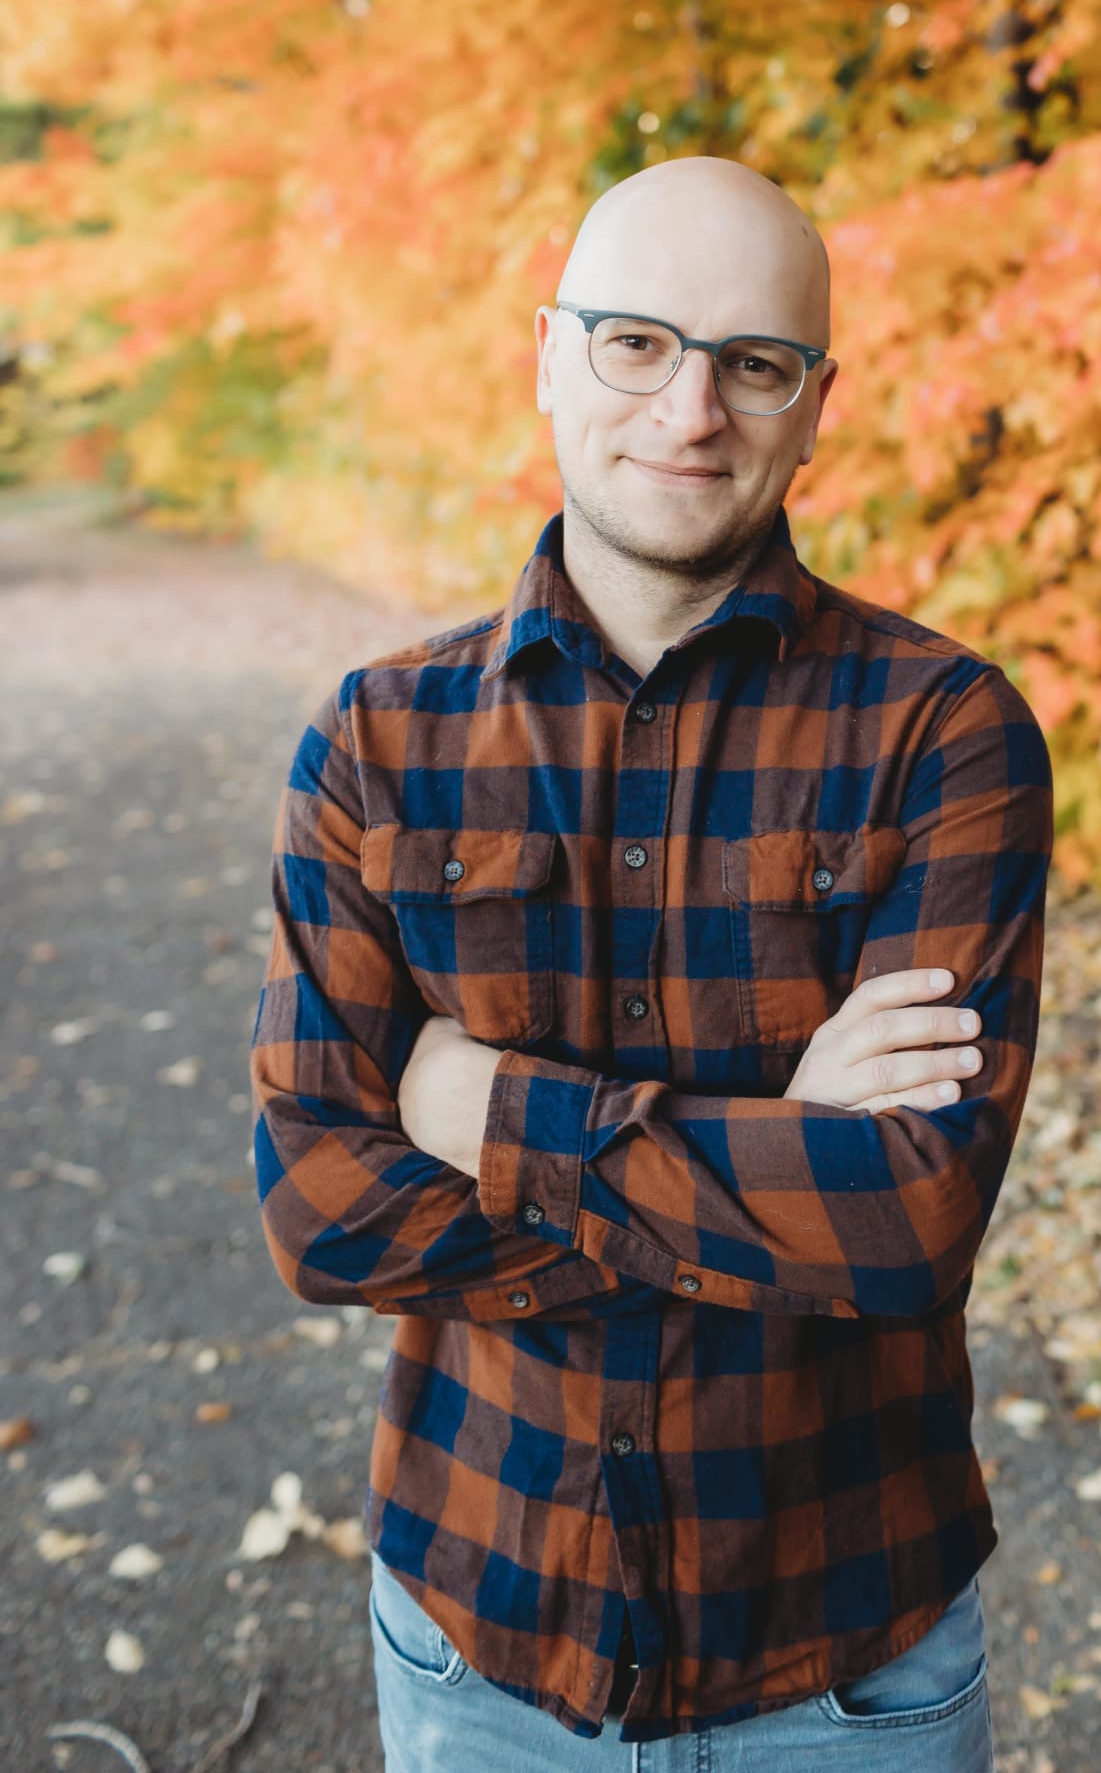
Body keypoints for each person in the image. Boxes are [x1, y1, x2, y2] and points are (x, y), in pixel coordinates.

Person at [249, 154, 1054, 1771]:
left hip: (849, 1666)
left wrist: (484, 1110)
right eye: (637, 344)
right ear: (550, 353)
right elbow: (320, 1213)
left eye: (754, 363)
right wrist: (768, 1150)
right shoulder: (378, 740)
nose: (691, 411)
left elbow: (903, 1222)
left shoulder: (943, 734)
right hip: (483, 1639)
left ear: (815, 404)